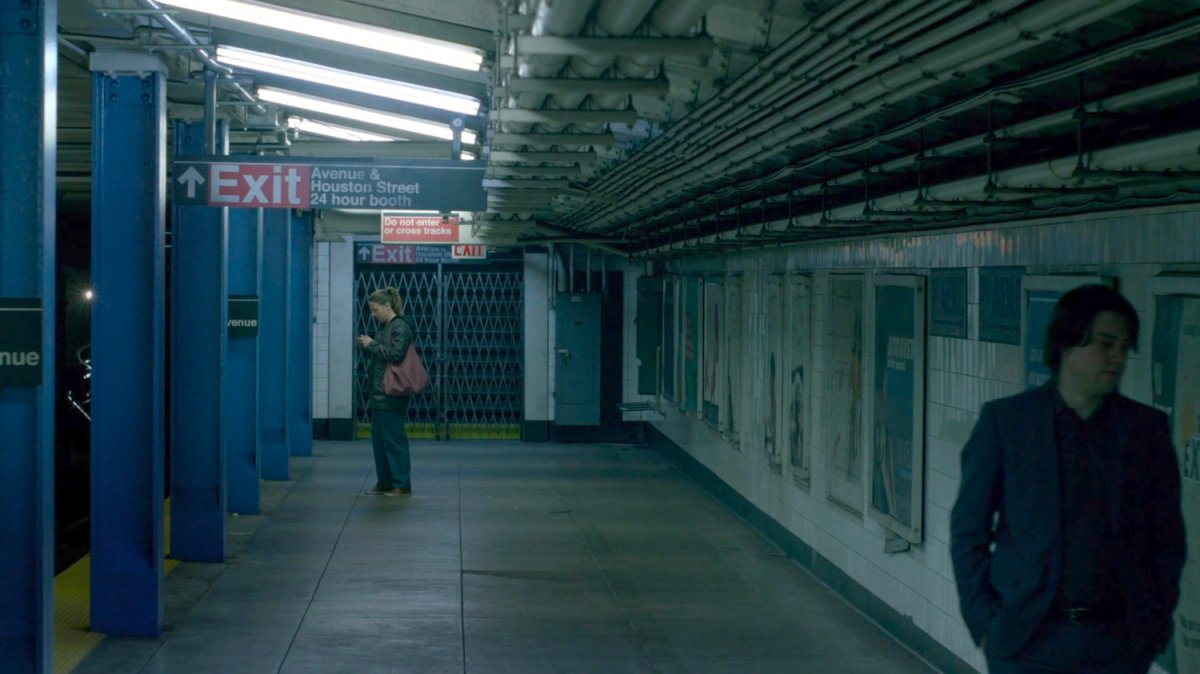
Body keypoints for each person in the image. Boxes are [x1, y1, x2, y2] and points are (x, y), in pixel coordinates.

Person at [950, 284, 1185, 674]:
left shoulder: (1146, 431)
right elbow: (968, 532)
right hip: (1028, 642)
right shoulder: (1007, 424)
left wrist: (1154, 624)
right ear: (1066, 345)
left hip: (1118, 643)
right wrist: (986, 626)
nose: (1118, 358)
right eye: (1105, 344)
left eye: (1124, 348)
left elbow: (1167, 540)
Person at [356, 287, 416, 497]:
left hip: (392, 392)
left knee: (393, 441)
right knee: (380, 442)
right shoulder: (386, 327)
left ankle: (401, 484)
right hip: (380, 391)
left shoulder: (400, 326)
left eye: (375, 309)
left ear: (387, 306)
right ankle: (385, 482)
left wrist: (372, 344)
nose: (374, 314)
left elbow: (396, 354)